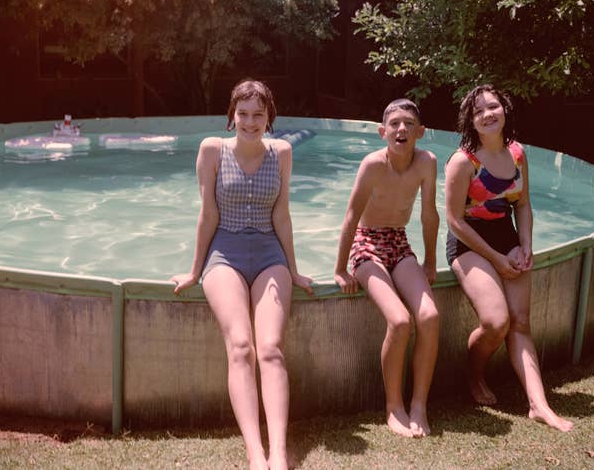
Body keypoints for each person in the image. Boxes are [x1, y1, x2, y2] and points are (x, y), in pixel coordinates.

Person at [170, 79, 313, 470]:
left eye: (259, 114)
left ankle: (279, 452)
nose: (251, 122)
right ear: (231, 116)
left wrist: (294, 270)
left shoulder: (281, 152)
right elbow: (208, 216)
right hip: (225, 252)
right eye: (244, 114)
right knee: (240, 346)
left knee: (269, 348)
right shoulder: (213, 150)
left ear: (270, 117)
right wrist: (195, 270)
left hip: (269, 253)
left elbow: (282, 215)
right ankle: (255, 452)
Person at [444, 84, 573, 432]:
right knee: (496, 322)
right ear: (471, 121)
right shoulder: (463, 162)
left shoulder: (517, 154)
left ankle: (538, 404)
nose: (488, 114)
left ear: (505, 110)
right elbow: (454, 220)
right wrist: (497, 259)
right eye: (479, 110)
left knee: (520, 321)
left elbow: (523, 203)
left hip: (507, 237)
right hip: (469, 243)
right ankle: (473, 376)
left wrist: (526, 244)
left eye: (493, 107)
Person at [334, 98, 440, 437]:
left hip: (399, 241)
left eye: (409, 124)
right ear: (382, 132)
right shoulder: (373, 165)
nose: (402, 129)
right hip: (366, 244)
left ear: (420, 132)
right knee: (400, 320)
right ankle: (394, 407)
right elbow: (351, 217)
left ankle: (419, 404)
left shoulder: (427, 163)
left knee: (430, 317)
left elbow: (428, 215)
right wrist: (340, 269)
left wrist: (431, 261)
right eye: (394, 123)